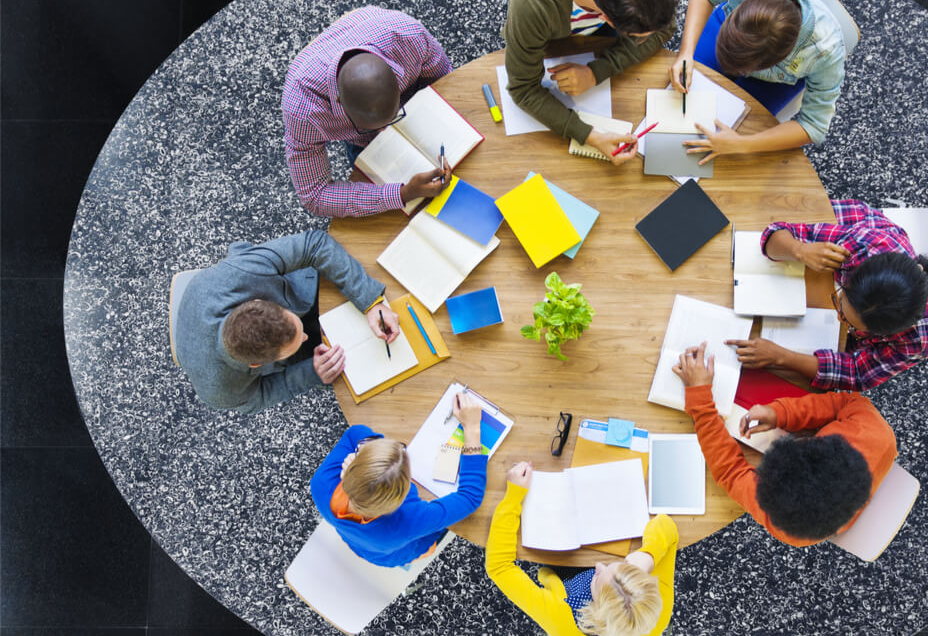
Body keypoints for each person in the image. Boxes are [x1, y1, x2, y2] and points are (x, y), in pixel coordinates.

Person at [674, 342, 897, 545]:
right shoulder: (877, 433)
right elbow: (847, 401)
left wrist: (700, 398)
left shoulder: (783, 516)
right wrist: (781, 413)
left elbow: (731, 472)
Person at [728, 199, 928, 391]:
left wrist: (781, 357)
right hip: (852, 222)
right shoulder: (860, 245)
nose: (837, 315)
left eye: (849, 322)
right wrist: (800, 250)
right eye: (840, 303)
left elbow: (857, 373)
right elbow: (776, 230)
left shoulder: (921, 340)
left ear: (882, 333)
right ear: (852, 273)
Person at [174, 230, 398, 414]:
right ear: (256, 365)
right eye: (298, 341)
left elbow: (314, 244)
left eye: (297, 331)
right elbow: (259, 396)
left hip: (289, 290)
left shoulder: (243, 271)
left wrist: (370, 301)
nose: (306, 337)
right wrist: (311, 372)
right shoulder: (221, 392)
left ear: (258, 300)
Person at [282, 6, 453, 217]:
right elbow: (315, 195)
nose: (387, 132)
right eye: (369, 127)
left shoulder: (410, 38)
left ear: (397, 74)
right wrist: (402, 193)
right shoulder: (303, 109)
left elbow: (447, 84)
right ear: (339, 102)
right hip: (362, 142)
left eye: (391, 116)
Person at [668, 0, 848, 162]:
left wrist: (742, 144)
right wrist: (685, 53)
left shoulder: (826, 53)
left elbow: (813, 126)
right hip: (731, 40)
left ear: (774, 62)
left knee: (739, 133)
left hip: (776, 82)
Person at [503, 0, 679, 164]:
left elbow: (666, 27)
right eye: (637, 38)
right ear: (605, 18)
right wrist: (590, 136)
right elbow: (523, 89)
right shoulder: (533, 1)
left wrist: (597, 72)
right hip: (541, 18)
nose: (642, 40)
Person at [486, 461, 678, 635]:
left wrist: (513, 497)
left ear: (597, 613)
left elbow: (499, 567)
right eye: (621, 565)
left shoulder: (560, 620)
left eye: (596, 580)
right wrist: (648, 555)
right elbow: (666, 524)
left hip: (562, 574)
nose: (599, 565)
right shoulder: (657, 606)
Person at [310, 392, 487, 567]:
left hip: (367, 547)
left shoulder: (321, 484)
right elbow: (471, 497)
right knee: (439, 530)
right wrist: (472, 428)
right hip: (403, 550)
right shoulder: (408, 520)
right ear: (404, 495)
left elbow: (354, 432)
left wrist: (366, 456)